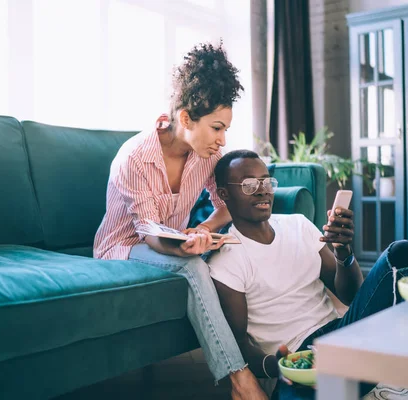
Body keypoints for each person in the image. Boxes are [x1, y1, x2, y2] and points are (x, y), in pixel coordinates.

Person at [93, 43, 268, 399]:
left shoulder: (205, 155)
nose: (223, 140)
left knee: (227, 256)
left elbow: (228, 205)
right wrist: (184, 248)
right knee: (193, 267)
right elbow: (150, 234)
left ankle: (280, 345)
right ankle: (240, 378)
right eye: (217, 128)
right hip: (124, 247)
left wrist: (203, 231)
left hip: (167, 242)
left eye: (225, 128)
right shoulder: (135, 159)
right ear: (186, 118)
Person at [207, 150, 408, 399]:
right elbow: (239, 344)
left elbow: (351, 296)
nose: (262, 190)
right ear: (224, 194)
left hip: (342, 335)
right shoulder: (227, 259)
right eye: (248, 185)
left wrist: (343, 252)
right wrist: (275, 365)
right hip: (296, 363)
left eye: (266, 181)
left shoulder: (298, 225)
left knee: (404, 252)